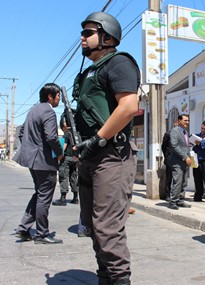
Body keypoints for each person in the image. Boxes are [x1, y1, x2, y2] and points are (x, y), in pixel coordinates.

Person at [73, 12, 140, 285]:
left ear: (107, 37)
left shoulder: (119, 63)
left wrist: (98, 139)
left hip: (112, 155)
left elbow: (128, 107)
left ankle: (120, 279)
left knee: (107, 228)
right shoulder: (91, 71)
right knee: (91, 226)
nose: (82, 38)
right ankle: (105, 278)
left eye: (88, 33)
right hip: (90, 155)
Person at [14, 83, 63, 244]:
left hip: (31, 160)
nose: (59, 99)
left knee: (39, 194)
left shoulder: (33, 110)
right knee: (44, 197)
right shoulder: (48, 111)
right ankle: (42, 234)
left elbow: (21, 132)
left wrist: (29, 148)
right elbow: (51, 137)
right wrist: (60, 153)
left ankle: (23, 228)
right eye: (57, 96)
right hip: (43, 161)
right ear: (50, 96)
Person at [52, 115, 79, 206]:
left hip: (67, 158)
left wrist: (59, 156)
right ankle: (75, 197)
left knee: (63, 176)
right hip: (75, 159)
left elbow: (64, 146)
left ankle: (63, 198)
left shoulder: (67, 133)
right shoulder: (77, 133)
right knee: (73, 177)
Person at [168, 114, 192, 210]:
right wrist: (185, 157)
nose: (187, 122)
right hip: (177, 161)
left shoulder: (185, 132)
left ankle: (180, 200)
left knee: (184, 182)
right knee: (177, 182)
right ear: (179, 121)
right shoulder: (175, 131)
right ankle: (173, 201)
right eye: (185, 120)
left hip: (186, 161)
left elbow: (185, 146)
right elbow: (174, 146)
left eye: (188, 120)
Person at [161, 120, 178, 201]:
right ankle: (167, 195)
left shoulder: (182, 135)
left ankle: (176, 195)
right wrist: (167, 155)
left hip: (178, 160)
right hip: (170, 159)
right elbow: (163, 146)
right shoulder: (168, 134)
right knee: (169, 178)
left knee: (177, 179)